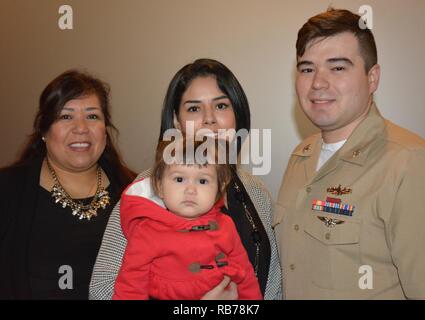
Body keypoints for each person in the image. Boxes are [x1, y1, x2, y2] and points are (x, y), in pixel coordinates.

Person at [274, 8, 425, 299]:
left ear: (372, 78)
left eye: (337, 67)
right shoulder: (301, 155)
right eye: (307, 68)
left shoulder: (411, 164)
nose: (318, 83)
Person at [90, 58, 282, 300]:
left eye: (221, 106)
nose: (209, 119)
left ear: (238, 117)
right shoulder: (146, 189)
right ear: (175, 122)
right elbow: (102, 290)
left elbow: (273, 285)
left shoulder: (256, 192)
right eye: (194, 108)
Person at [0, 70, 135, 299]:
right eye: (65, 116)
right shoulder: (7, 189)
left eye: (92, 116)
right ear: (44, 130)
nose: (81, 128)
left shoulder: (137, 192)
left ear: (105, 130)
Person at [113, 139, 262, 300]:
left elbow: (245, 274)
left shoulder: (225, 225)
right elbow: (130, 287)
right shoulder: (146, 231)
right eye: (179, 179)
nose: (190, 190)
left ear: (219, 188)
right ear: (159, 186)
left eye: (203, 181)